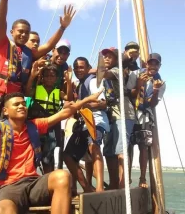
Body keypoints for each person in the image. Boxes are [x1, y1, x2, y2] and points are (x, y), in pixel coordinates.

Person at [0, 0, 76, 99]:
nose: (23, 35)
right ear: (12, 32)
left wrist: (62, 27)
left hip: (16, 98)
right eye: (20, 31)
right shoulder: (2, 43)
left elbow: (49, 46)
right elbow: (1, 20)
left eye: (26, 32)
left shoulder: (29, 53)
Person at [64, 57, 110, 194]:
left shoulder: (93, 81)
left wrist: (79, 104)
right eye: (76, 67)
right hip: (83, 123)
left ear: (89, 67)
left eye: (82, 67)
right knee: (69, 155)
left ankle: (100, 187)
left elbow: (101, 103)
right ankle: (87, 186)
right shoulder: (79, 84)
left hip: (96, 120)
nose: (78, 70)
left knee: (93, 147)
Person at [25, 63, 73, 173]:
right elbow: (27, 93)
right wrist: (32, 76)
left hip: (52, 126)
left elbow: (69, 98)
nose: (49, 79)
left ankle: (48, 181)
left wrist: (69, 82)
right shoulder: (37, 89)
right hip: (37, 125)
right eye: (47, 76)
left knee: (49, 156)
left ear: (56, 78)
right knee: (34, 153)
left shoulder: (58, 92)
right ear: (42, 78)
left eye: (52, 76)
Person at [127, 53, 166, 188]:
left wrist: (155, 91)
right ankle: (127, 178)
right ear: (147, 64)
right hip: (131, 113)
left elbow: (153, 104)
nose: (153, 66)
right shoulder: (135, 74)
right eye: (151, 63)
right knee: (128, 147)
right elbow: (129, 93)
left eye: (156, 64)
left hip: (145, 115)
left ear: (159, 66)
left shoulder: (160, 83)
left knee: (143, 147)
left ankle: (142, 178)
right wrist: (139, 84)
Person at [100, 48, 136, 189]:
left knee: (121, 151)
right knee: (109, 151)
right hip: (111, 115)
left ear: (116, 60)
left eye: (110, 57)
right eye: (105, 57)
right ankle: (114, 183)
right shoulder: (105, 79)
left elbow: (103, 73)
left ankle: (122, 185)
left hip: (124, 114)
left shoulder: (116, 71)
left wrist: (93, 70)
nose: (106, 59)